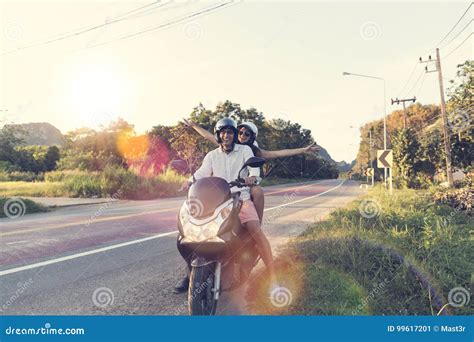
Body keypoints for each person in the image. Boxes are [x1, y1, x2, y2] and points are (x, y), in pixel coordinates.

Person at [174, 118, 276, 294]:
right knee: (188, 234)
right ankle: (191, 273)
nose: (227, 135)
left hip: (240, 199)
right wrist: (188, 181)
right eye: (223, 132)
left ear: (234, 135)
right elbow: (201, 173)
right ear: (218, 135)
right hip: (218, 201)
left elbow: (255, 172)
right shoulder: (212, 155)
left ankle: (273, 276)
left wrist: (251, 178)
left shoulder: (244, 150)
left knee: (255, 230)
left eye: (230, 132)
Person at [183, 118, 320, 223]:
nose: (242, 135)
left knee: (258, 191)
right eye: (240, 132)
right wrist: (194, 125)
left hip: (247, 184)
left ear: (252, 137)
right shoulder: (226, 142)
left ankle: (256, 223)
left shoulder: (253, 151)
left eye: (246, 134)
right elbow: (208, 136)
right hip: (227, 186)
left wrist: (304, 150)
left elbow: (280, 153)